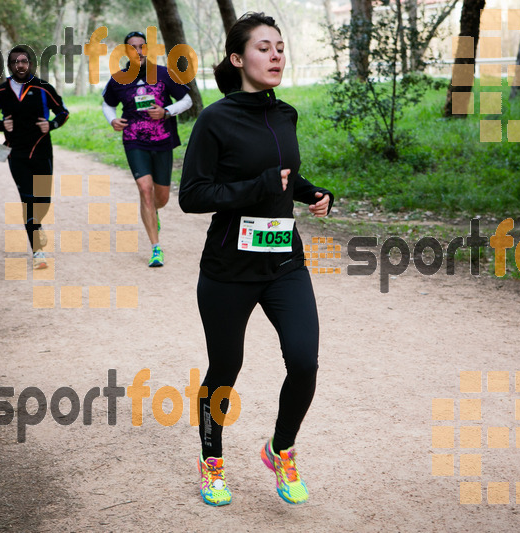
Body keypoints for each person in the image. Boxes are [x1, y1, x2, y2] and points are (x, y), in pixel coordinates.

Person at [179, 12, 333, 507]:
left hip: (284, 261)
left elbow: (286, 175)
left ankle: (281, 448)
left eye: (280, 48)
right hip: (229, 269)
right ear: (237, 58)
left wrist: (312, 193)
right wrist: (258, 187)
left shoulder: (285, 114)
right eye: (264, 48)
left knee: (305, 361)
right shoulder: (214, 119)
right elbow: (192, 195)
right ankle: (211, 462)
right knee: (226, 366)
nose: (275, 56)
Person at [102, 30, 192, 267]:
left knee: (160, 197)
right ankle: (156, 247)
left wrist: (166, 111)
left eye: (142, 46)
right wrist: (112, 120)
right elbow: (108, 104)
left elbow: (187, 100)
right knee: (145, 189)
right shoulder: (118, 79)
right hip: (134, 139)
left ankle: (154, 212)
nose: (138, 51)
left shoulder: (164, 73)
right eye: (133, 47)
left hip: (163, 140)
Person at [0, 46, 69, 269]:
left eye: (24, 61)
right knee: (27, 199)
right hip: (16, 153)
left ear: (31, 64)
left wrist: (51, 124)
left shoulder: (44, 88)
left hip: (41, 151)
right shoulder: (0, 92)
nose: (20, 65)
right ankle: (38, 252)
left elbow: (63, 112)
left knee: (43, 200)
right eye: (15, 62)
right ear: (9, 65)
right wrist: (1, 125)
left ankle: (37, 226)